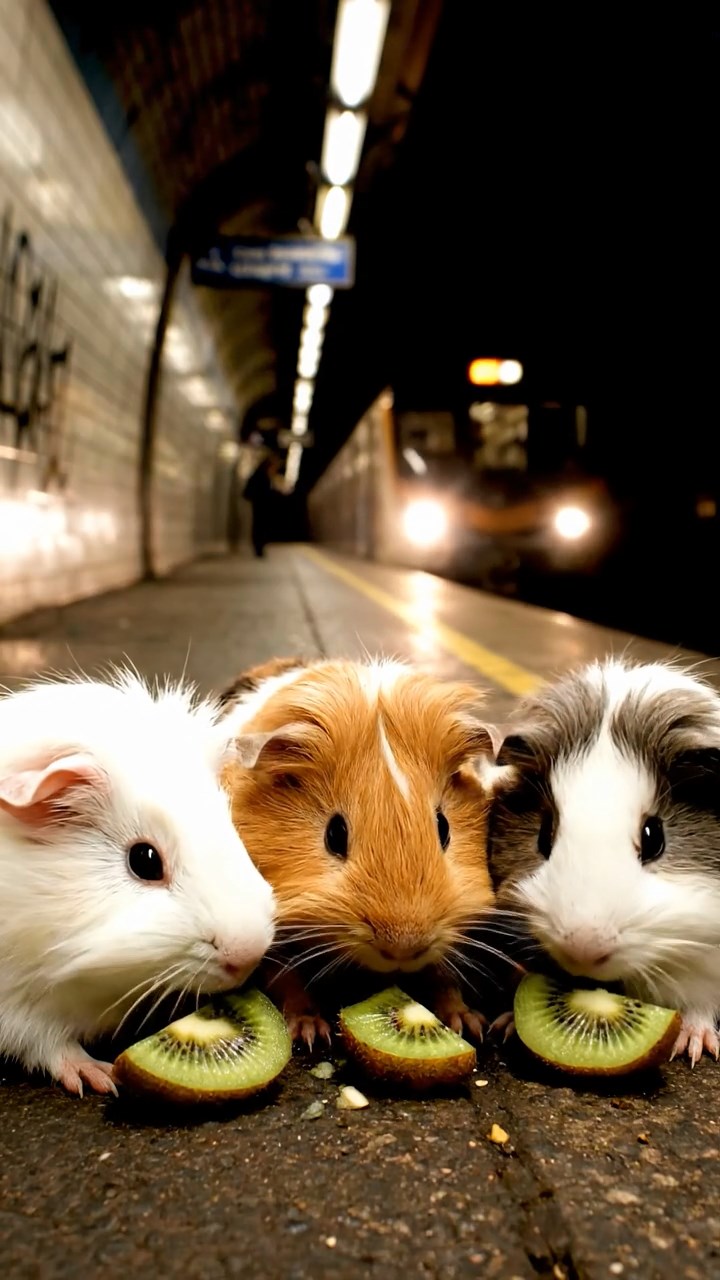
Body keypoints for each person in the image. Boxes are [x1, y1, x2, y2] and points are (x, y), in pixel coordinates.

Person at [242, 453, 282, 557]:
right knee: (260, 527)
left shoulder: (259, 475)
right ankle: (259, 549)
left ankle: (259, 548)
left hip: (259, 505)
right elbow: (262, 492)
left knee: (259, 526)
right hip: (261, 506)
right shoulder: (262, 476)